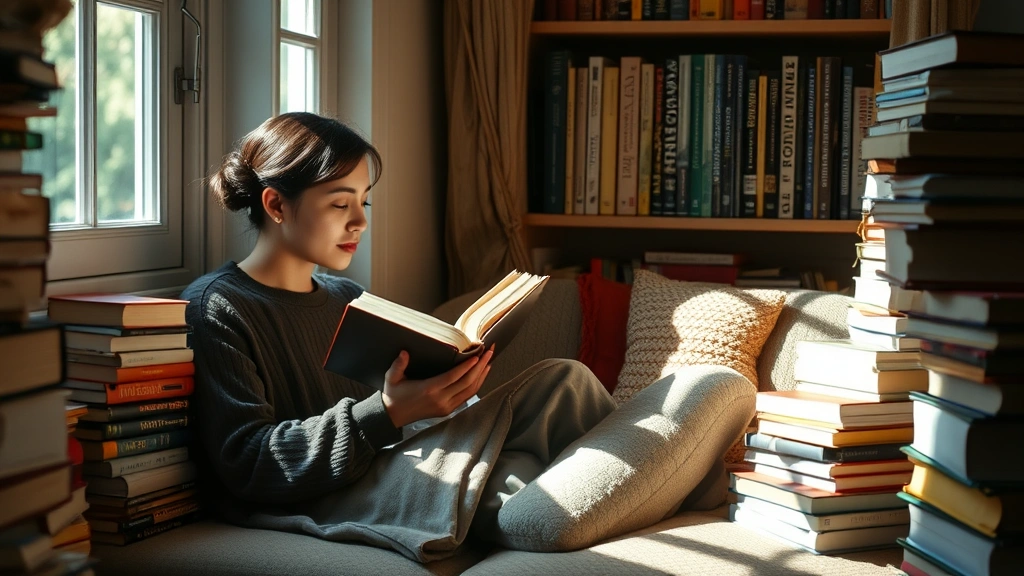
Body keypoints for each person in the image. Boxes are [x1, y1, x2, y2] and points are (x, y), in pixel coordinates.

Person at [181, 112, 617, 559]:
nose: (359, 223)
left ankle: (633, 488)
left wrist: (446, 393)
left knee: (565, 383)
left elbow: (400, 414)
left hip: (395, 462)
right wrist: (385, 412)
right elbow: (247, 462)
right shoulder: (216, 308)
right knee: (526, 482)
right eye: (339, 203)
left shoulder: (345, 297)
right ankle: (632, 495)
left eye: (363, 203)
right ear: (276, 205)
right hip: (323, 493)